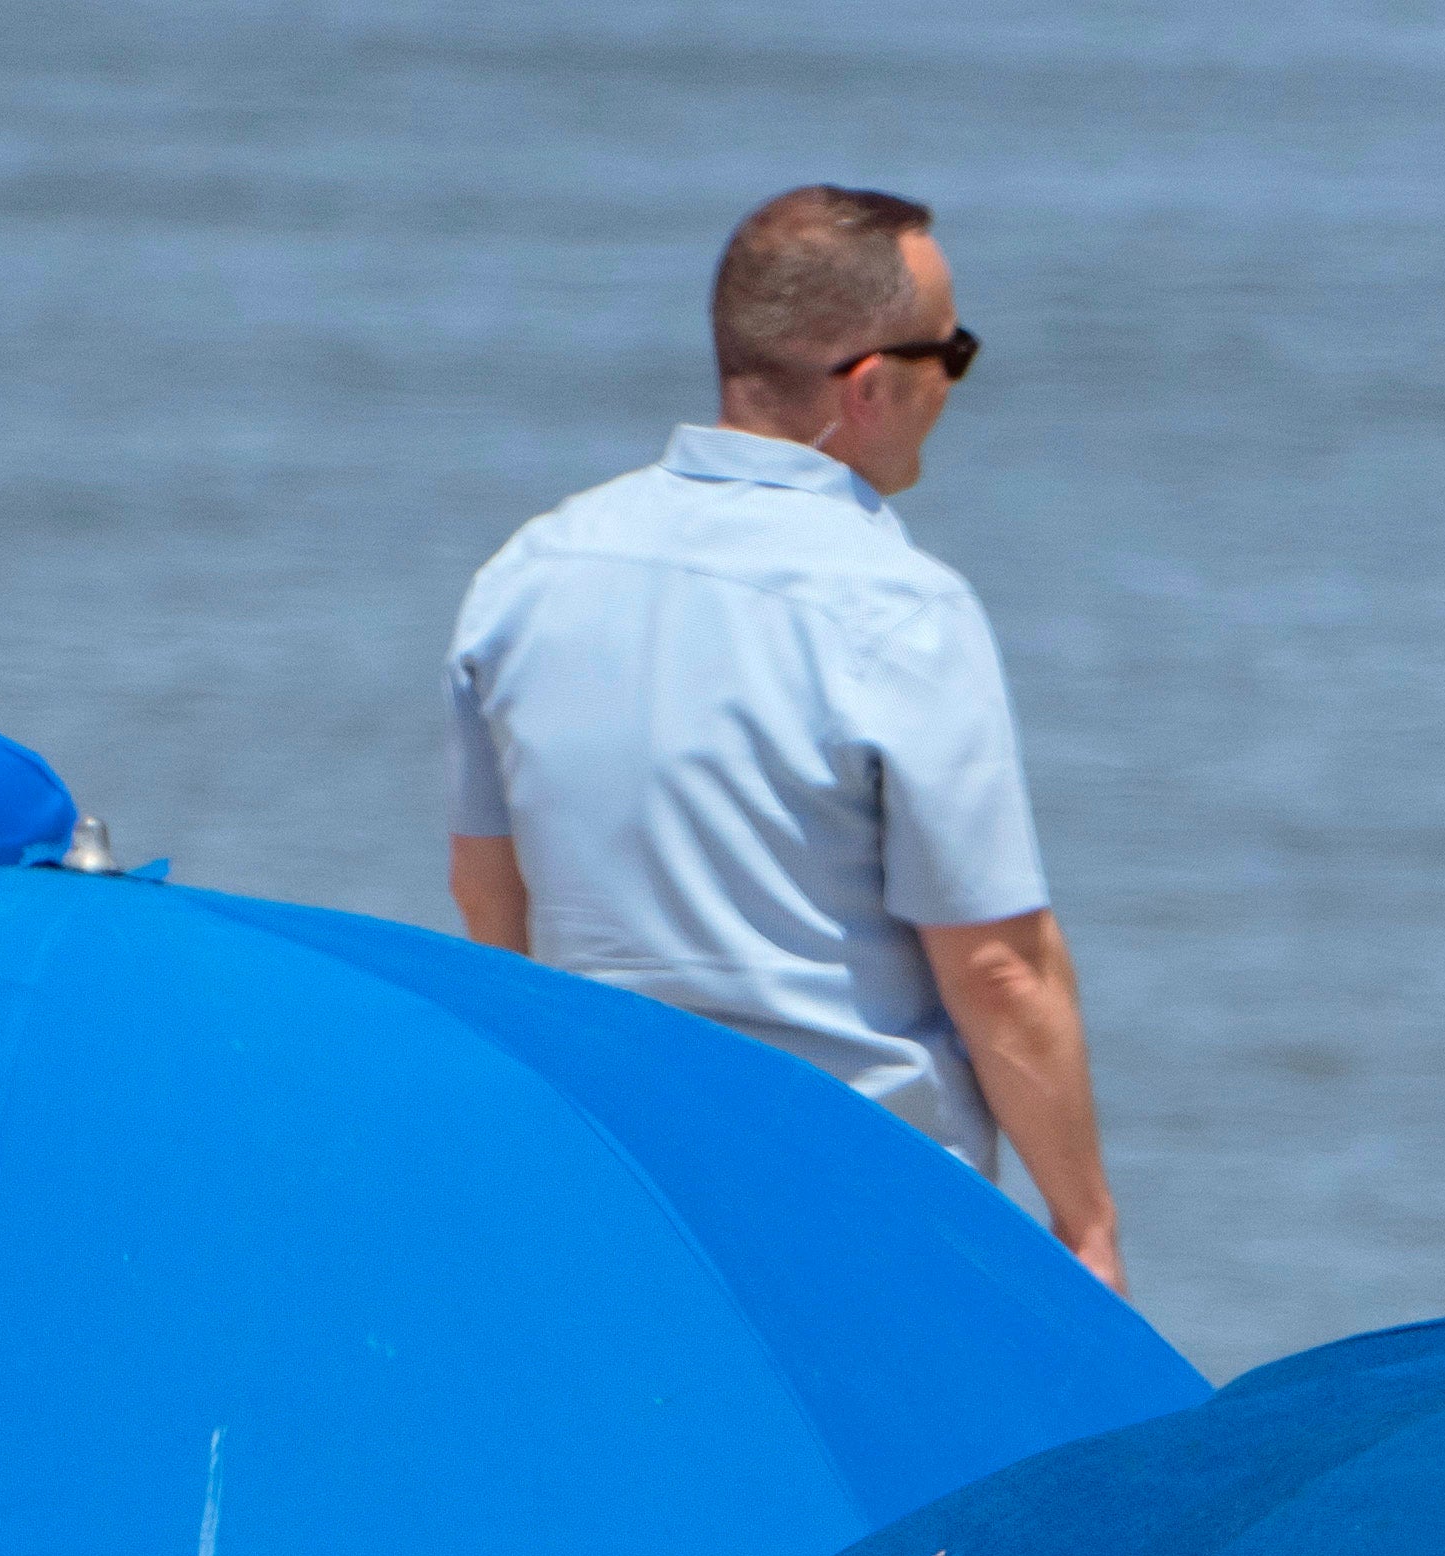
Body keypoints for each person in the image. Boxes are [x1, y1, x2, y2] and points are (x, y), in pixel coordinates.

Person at [447, 182, 1124, 1284]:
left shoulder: (528, 572)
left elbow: (489, 900)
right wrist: (1084, 1224)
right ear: (868, 384)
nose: (954, 383)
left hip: (617, 1187)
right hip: (865, 1207)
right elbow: (998, 967)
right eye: (949, 354)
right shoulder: (899, 608)